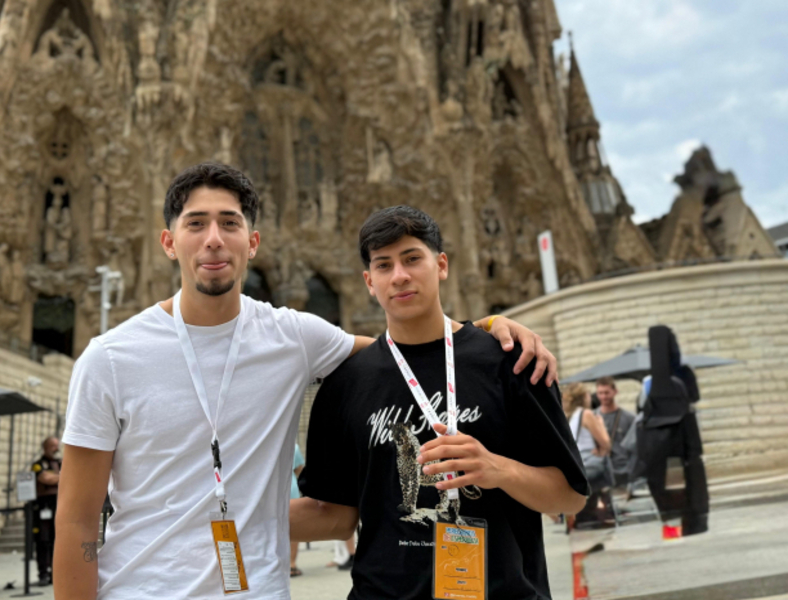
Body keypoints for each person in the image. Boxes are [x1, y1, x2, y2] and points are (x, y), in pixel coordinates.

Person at [54, 163, 560, 600]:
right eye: (196, 224)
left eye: (229, 223)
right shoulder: (111, 358)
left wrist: (484, 331)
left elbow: (402, 352)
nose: (213, 239)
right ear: (168, 242)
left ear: (252, 243)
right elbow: (77, 520)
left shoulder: (292, 336)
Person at [290, 206, 588, 600]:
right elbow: (336, 517)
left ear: (441, 264)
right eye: (384, 265)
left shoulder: (510, 361)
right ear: (369, 281)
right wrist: (217, 519)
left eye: (412, 258)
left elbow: (570, 496)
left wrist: (496, 469)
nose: (400, 276)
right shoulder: (346, 383)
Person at [637, 325, 709, 538]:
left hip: (663, 445)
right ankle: (691, 526)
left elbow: (642, 409)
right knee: (688, 486)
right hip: (682, 440)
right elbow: (694, 399)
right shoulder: (682, 374)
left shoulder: (652, 380)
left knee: (671, 490)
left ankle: (675, 530)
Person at [564, 383, 611, 527]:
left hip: (576, 465)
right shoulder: (586, 414)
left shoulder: (568, 416)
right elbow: (606, 443)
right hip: (590, 465)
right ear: (584, 397)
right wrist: (601, 423)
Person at [32, 436, 62, 585]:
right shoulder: (38, 464)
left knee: (57, 540)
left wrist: (56, 477)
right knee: (43, 541)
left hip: (58, 505)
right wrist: (62, 477)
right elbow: (45, 479)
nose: (56, 449)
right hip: (43, 507)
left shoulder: (60, 463)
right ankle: (43, 573)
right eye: (53, 446)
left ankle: (55, 573)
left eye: (57, 445)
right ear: (45, 447)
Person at [594, 376, 635, 486]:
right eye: (600, 393)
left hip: (624, 471)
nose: (603, 396)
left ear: (615, 392)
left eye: (607, 393)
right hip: (601, 472)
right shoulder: (592, 418)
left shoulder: (629, 417)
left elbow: (635, 447)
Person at [289, 444, 305, 577]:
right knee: (293, 528)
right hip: (290, 487)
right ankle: (292, 564)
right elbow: (300, 467)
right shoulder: (293, 446)